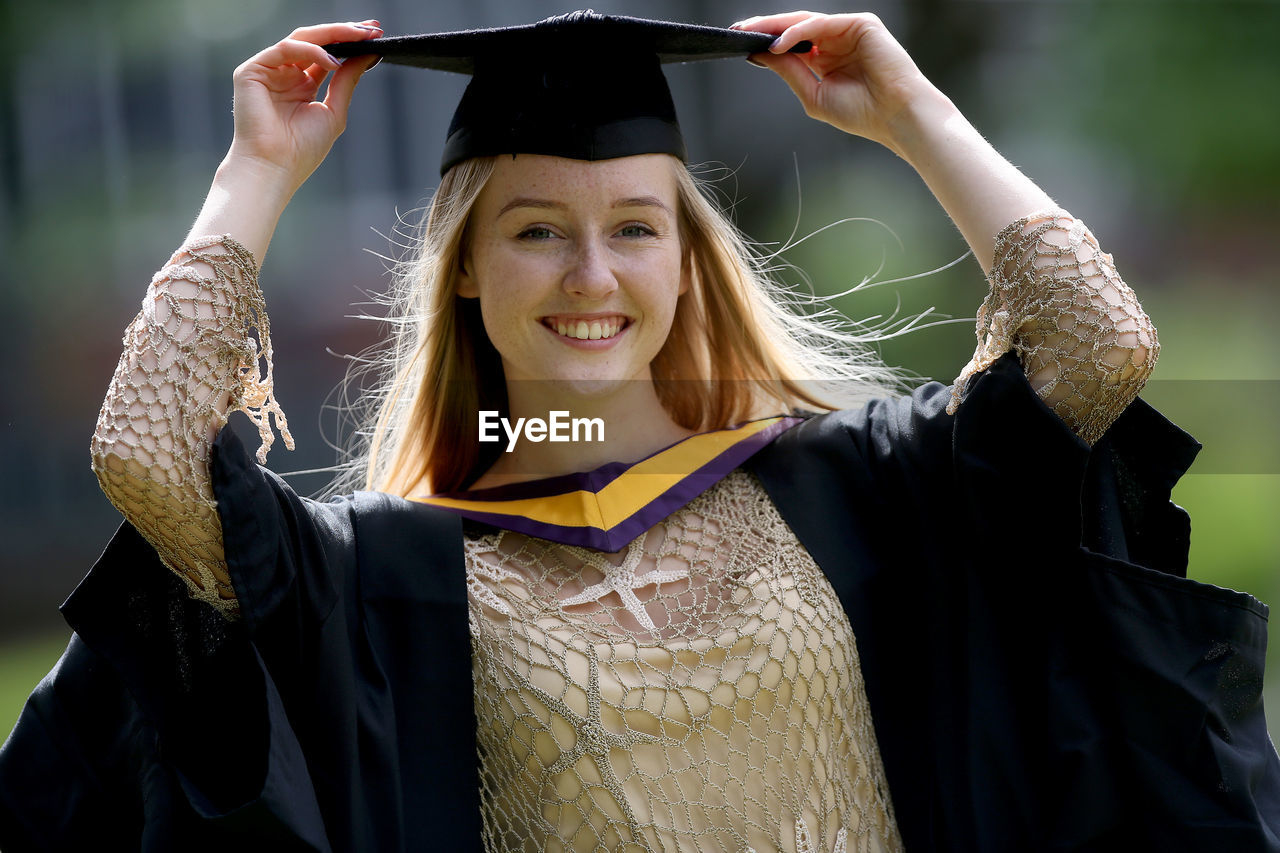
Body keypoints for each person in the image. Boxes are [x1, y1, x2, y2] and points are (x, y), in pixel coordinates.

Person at [2, 10, 1278, 853]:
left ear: (684, 263)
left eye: (632, 228)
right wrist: (256, 172)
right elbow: (150, 455)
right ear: (465, 268)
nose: (590, 276)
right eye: (536, 229)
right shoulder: (386, 579)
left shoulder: (858, 485)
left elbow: (1098, 345)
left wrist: (913, 116)